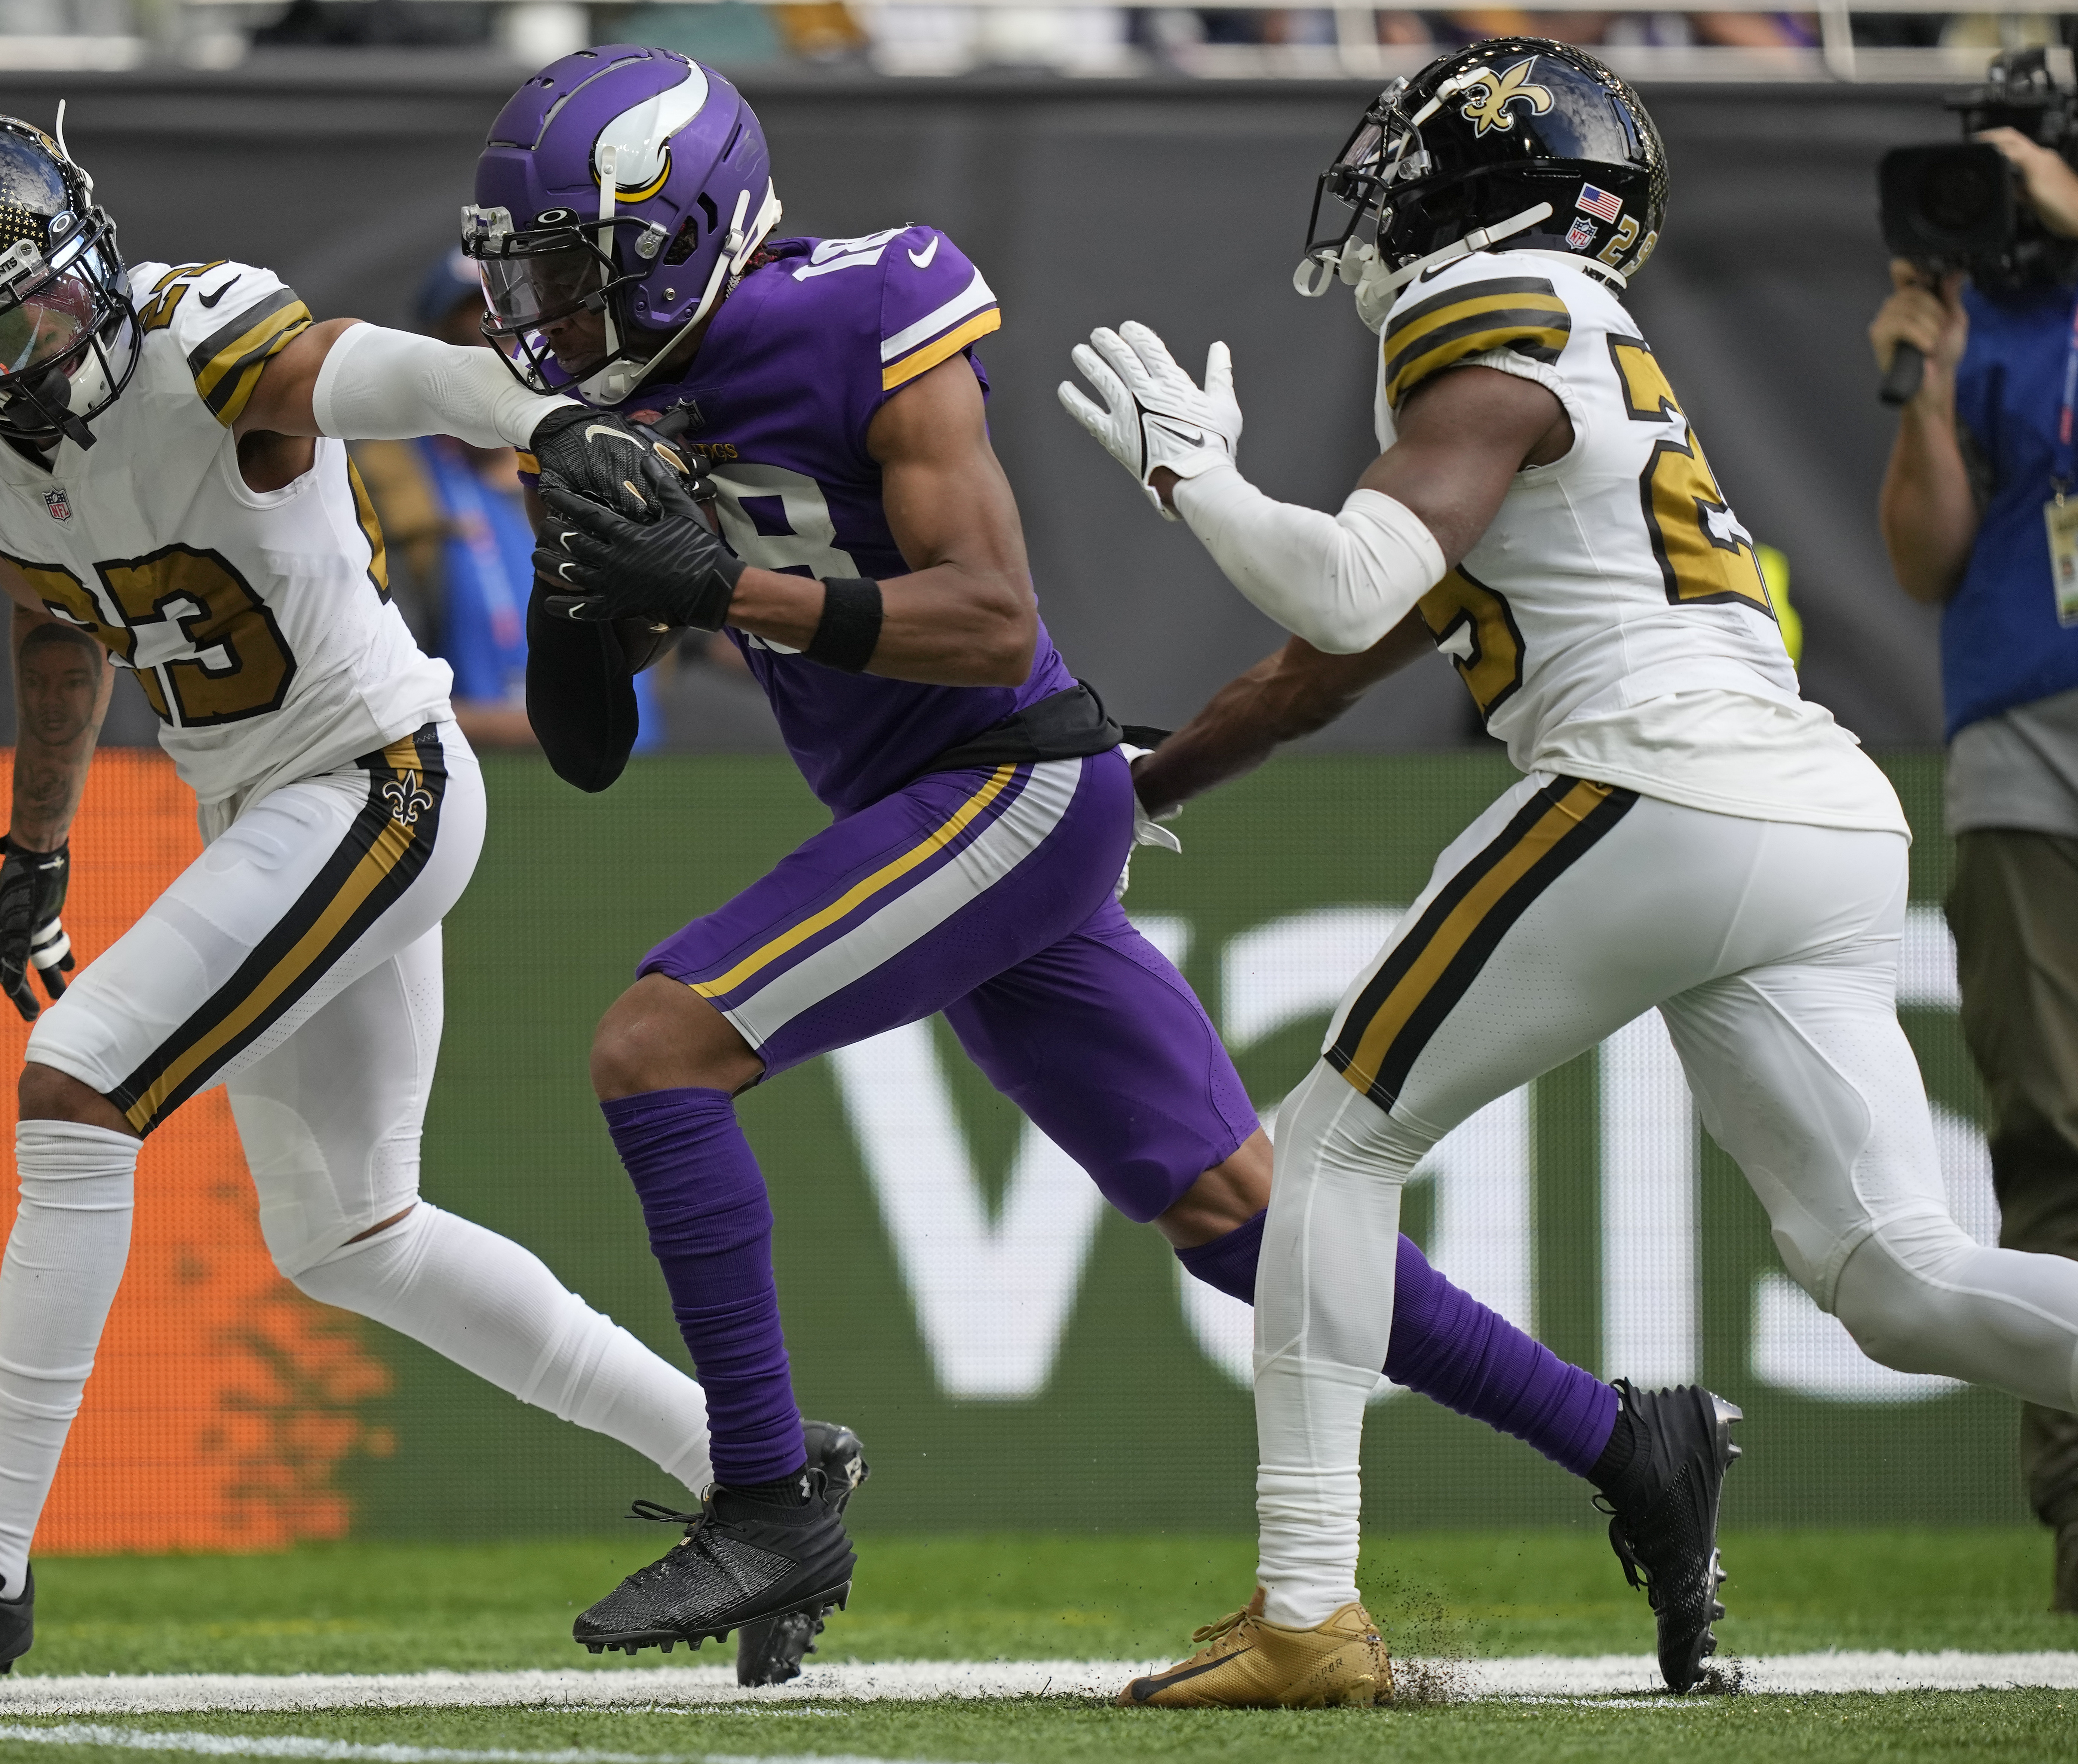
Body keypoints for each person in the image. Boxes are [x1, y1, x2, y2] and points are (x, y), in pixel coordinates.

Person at [464, 42, 1722, 1683]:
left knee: (657, 1049)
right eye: (532, 276)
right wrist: (583, 576)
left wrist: (718, 589)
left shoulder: (868, 313)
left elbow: (988, 626)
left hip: (1013, 781)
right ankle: (1633, 1445)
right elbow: (587, 746)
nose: (547, 313)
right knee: (1230, 1218)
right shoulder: (630, 394)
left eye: (571, 268)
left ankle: (769, 1493)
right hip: (927, 810)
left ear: (682, 225)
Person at [1061, 37, 2078, 1707]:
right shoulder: (1581, 345)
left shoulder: (1484, 309)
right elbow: (1333, 663)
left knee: (1328, 1146)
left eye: (1414, 157)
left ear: (1494, 183)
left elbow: (1341, 585)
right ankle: (1309, 1616)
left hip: (1653, 780)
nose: (1386, 190)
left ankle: (1310, 1614)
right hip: (1809, 806)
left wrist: (1195, 478)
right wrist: (1148, 784)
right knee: (1902, 1281)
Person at [0, 109, 850, 1705]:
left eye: (55, 292)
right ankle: (763, 1464)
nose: (48, 336)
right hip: (262, 799)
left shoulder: (199, 338)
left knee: (80, 1088)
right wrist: (38, 850)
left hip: (380, 778)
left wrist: (538, 422)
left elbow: (387, 372)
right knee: (353, 1237)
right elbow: (58, 624)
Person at [1873, 116, 2078, 1613]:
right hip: (2028, 751)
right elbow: (1925, 557)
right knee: (2053, 1134)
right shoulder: (1982, 319)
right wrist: (1926, 390)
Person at [349, 249, 662, 755]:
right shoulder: (398, 489)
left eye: (518, 338)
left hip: (645, 786)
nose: (498, 363)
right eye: (470, 345)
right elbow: (376, 695)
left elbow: (698, 622)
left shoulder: (611, 458)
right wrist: (551, 728)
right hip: (482, 784)